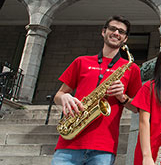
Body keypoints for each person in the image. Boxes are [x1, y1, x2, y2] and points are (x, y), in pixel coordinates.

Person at [52, 15, 142, 165]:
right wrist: (64, 97)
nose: (116, 33)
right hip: (69, 144)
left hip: (103, 147)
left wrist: (122, 96)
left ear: (125, 39)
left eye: (121, 31)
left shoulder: (131, 68)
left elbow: (137, 108)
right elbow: (58, 95)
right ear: (103, 31)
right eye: (112, 29)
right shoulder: (81, 61)